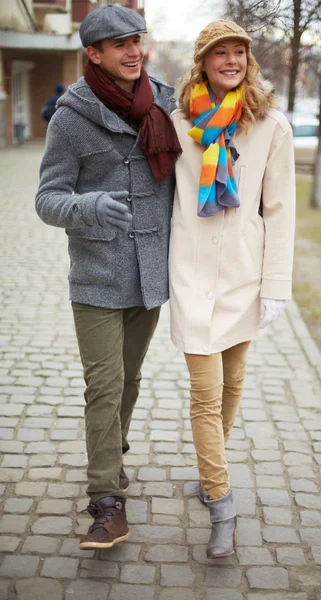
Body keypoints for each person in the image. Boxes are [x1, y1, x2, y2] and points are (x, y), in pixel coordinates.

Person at [35, 4, 181, 550]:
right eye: (118, 44)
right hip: (97, 270)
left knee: (130, 378)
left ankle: (111, 455)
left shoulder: (165, 102)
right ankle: (105, 502)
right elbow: (47, 199)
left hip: (150, 272)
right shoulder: (70, 116)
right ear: (93, 54)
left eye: (136, 40)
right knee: (104, 383)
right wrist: (89, 205)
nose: (132, 50)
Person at [169, 20, 296, 558]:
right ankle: (222, 503)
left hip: (245, 273)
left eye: (238, 52)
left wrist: (276, 286)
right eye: (220, 53)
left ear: (249, 60)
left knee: (234, 380)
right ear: (202, 61)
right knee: (206, 392)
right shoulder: (175, 123)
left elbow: (280, 210)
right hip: (192, 273)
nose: (231, 61)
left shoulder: (270, 125)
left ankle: (208, 468)